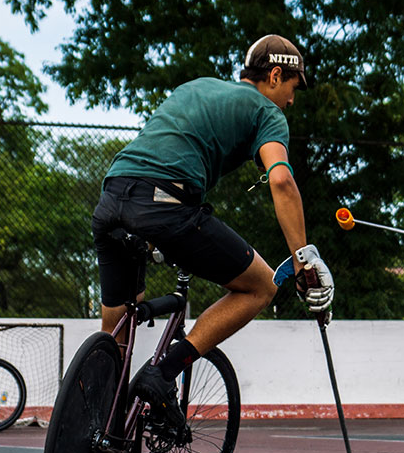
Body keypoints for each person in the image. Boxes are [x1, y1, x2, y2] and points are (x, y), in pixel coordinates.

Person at [91, 34, 333, 432]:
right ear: (275, 75)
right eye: (292, 87)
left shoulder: (197, 86)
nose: (292, 100)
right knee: (261, 287)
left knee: (119, 326)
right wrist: (303, 256)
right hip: (166, 205)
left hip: (113, 195)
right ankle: (162, 373)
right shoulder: (268, 113)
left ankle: (104, 420)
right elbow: (283, 183)